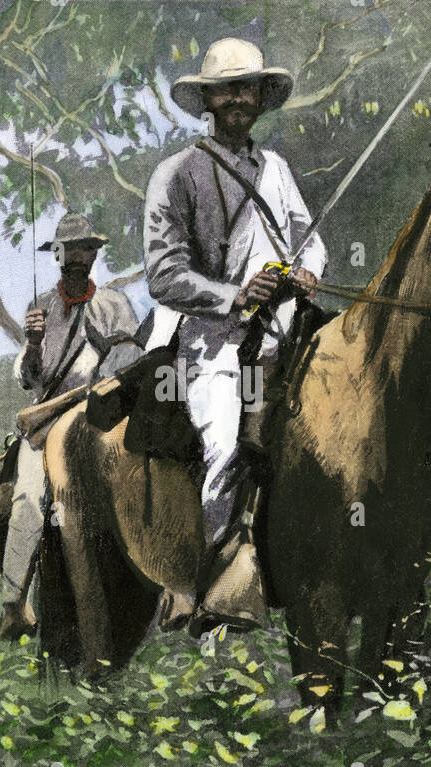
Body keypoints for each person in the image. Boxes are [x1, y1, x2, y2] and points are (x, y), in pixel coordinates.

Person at [142, 37, 327, 633]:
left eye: (248, 87)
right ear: (210, 100)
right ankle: (220, 593)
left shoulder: (277, 170)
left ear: (259, 97)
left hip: (286, 330)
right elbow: (163, 276)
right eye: (228, 88)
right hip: (215, 339)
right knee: (223, 447)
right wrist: (233, 295)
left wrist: (307, 270)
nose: (240, 98)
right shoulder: (177, 174)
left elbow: (310, 236)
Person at [0, 212, 142, 640]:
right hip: (47, 422)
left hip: (103, 416)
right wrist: (33, 343)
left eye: (85, 249)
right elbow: (27, 380)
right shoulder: (39, 306)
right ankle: (13, 604)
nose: (77, 257)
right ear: (57, 255)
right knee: (27, 498)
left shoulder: (116, 307)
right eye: (69, 249)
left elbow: (133, 362)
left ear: (95, 255)